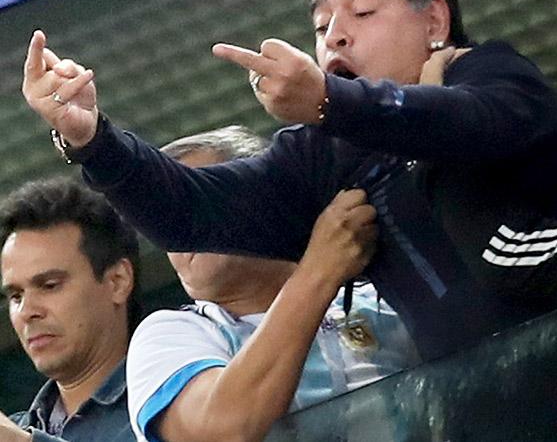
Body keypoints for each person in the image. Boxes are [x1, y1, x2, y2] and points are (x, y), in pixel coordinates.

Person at [21, 0, 557, 360]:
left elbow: (468, 124)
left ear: (434, 22)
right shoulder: (324, 155)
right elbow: (189, 211)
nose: (335, 37)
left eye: (363, 13)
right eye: (322, 25)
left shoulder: (495, 75)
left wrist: (329, 101)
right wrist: (91, 138)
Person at [126, 126, 419, 442]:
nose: (182, 228)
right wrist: (319, 270)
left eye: (200, 199)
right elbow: (220, 432)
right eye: (168, 216)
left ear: (268, 196)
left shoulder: (381, 302)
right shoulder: (171, 334)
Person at [0, 178, 139, 441]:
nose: (27, 311)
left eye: (49, 285)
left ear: (117, 282)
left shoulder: (172, 404)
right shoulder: (17, 428)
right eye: (16, 296)